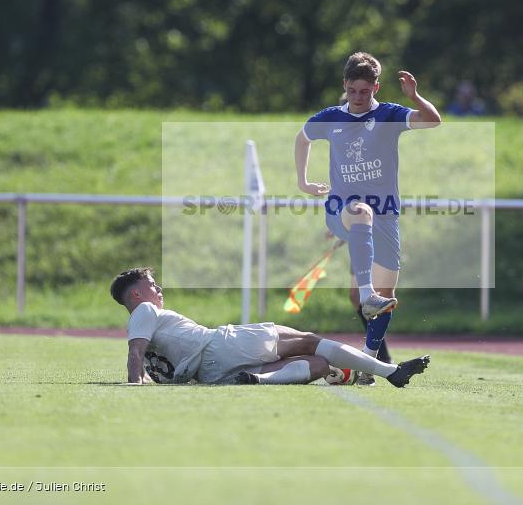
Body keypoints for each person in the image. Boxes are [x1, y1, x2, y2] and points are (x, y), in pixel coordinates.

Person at [294, 52, 441, 385]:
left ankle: (369, 366)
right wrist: (303, 182)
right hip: (342, 210)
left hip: (386, 216)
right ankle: (365, 294)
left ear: (377, 87)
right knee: (361, 213)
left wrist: (415, 96)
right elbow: (302, 138)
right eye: (354, 91)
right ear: (345, 85)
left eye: (366, 91)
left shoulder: (389, 114)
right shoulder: (331, 117)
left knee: (386, 298)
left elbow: (434, 120)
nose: (359, 98)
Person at [109, 267, 430, 387]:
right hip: (218, 345)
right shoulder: (145, 310)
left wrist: (145, 380)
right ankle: (390, 372)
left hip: (210, 372)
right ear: (136, 294)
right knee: (307, 340)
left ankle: (258, 380)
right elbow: (134, 352)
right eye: (152, 285)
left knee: (319, 366)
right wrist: (134, 384)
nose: (158, 290)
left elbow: (147, 358)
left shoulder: (148, 326)